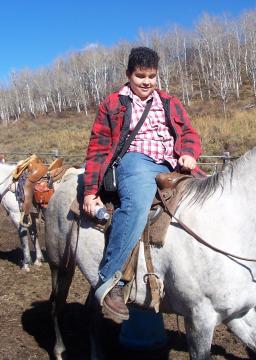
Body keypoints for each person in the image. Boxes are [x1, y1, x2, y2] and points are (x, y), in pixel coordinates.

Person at [83, 47, 202, 323]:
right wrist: (90, 192)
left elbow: (188, 133)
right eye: (140, 76)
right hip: (135, 162)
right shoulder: (113, 104)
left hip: (173, 164)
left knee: (211, 193)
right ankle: (111, 281)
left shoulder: (170, 102)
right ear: (128, 74)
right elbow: (97, 149)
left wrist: (188, 152)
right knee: (137, 205)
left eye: (151, 76)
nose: (146, 82)